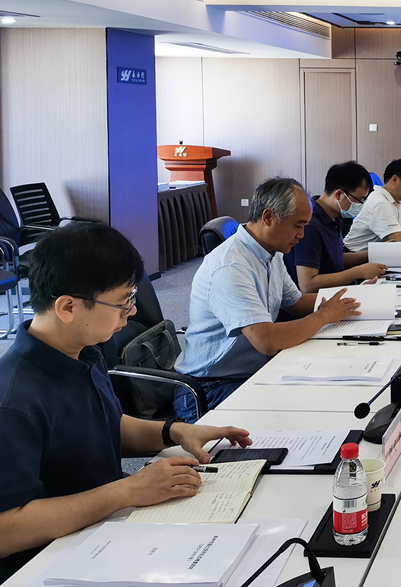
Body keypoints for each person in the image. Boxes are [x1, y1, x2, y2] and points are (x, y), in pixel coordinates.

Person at [0, 223, 252, 580]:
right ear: (68, 307)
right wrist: (127, 490)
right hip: (52, 562)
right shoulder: (13, 401)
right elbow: (7, 529)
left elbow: (105, 424)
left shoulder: (84, 351)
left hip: (107, 528)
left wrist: (174, 432)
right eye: (123, 302)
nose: (131, 312)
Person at [175, 177, 360, 420]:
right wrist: (325, 315)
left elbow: (296, 303)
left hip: (250, 370)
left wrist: (350, 301)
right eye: (298, 226)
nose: (302, 235)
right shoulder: (231, 266)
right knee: (301, 412)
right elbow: (266, 340)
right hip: (209, 387)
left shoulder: (271, 253)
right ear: (268, 217)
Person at [290, 161, 387, 293]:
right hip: (317, 301)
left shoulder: (335, 217)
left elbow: (332, 258)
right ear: (339, 194)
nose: (362, 204)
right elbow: (308, 285)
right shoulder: (310, 225)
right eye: (359, 199)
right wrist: (358, 272)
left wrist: (372, 254)